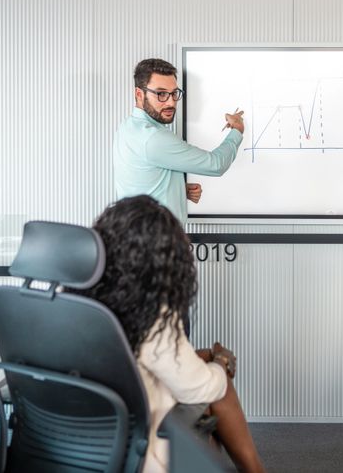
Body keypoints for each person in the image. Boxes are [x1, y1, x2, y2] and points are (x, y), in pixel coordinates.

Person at [86, 195, 265, 473]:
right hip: (138, 445)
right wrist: (221, 362)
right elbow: (203, 388)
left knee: (207, 393)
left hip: (87, 440)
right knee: (219, 387)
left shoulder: (76, 302)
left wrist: (205, 357)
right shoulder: (151, 315)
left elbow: (142, 360)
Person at [114, 58, 245, 224]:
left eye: (174, 93)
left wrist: (177, 190)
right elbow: (216, 164)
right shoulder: (154, 138)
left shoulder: (127, 127)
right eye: (161, 94)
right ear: (139, 94)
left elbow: (140, 180)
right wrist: (237, 130)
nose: (171, 102)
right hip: (156, 244)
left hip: (138, 237)